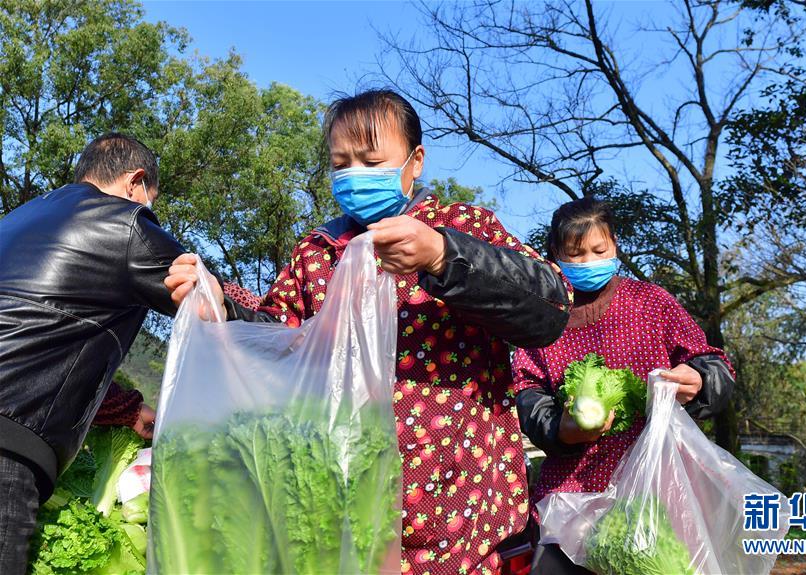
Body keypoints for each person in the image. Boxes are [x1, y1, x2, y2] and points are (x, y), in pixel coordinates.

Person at [166, 89, 572, 575]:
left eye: (372, 159)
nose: (356, 173)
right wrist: (223, 310)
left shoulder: (460, 226)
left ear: (414, 160)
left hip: (464, 521)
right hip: (343, 520)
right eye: (342, 163)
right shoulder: (316, 254)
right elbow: (279, 344)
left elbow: (550, 307)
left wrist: (443, 257)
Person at [511, 197, 735, 574]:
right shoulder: (542, 317)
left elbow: (715, 364)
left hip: (655, 492)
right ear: (554, 254)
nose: (588, 261)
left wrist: (699, 380)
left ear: (615, 245)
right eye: (575, 254)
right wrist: (558, 428)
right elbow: (527, 392)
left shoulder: (651, 303)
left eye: (599, 250)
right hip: (568, 500)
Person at [0, 134, 185, 574]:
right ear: (135, 183)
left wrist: (127, 407)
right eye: (149, 201)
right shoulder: (125, 224)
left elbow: (37, 341)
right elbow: (210, 299)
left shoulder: (16, 219)